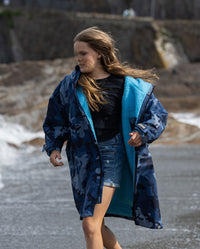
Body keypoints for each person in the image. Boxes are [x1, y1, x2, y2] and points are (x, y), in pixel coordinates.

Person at [43, 26, 168, 249]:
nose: (79, 59)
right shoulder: (70, 85)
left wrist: (142, 132)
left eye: (84, 53)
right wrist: (54, 147)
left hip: (112, 156)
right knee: (95, 224)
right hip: (82, 161)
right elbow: (55, 118)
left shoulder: (129, 85)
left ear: (99, 52)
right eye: (77, 54)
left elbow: (158, 115)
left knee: (90, 225)